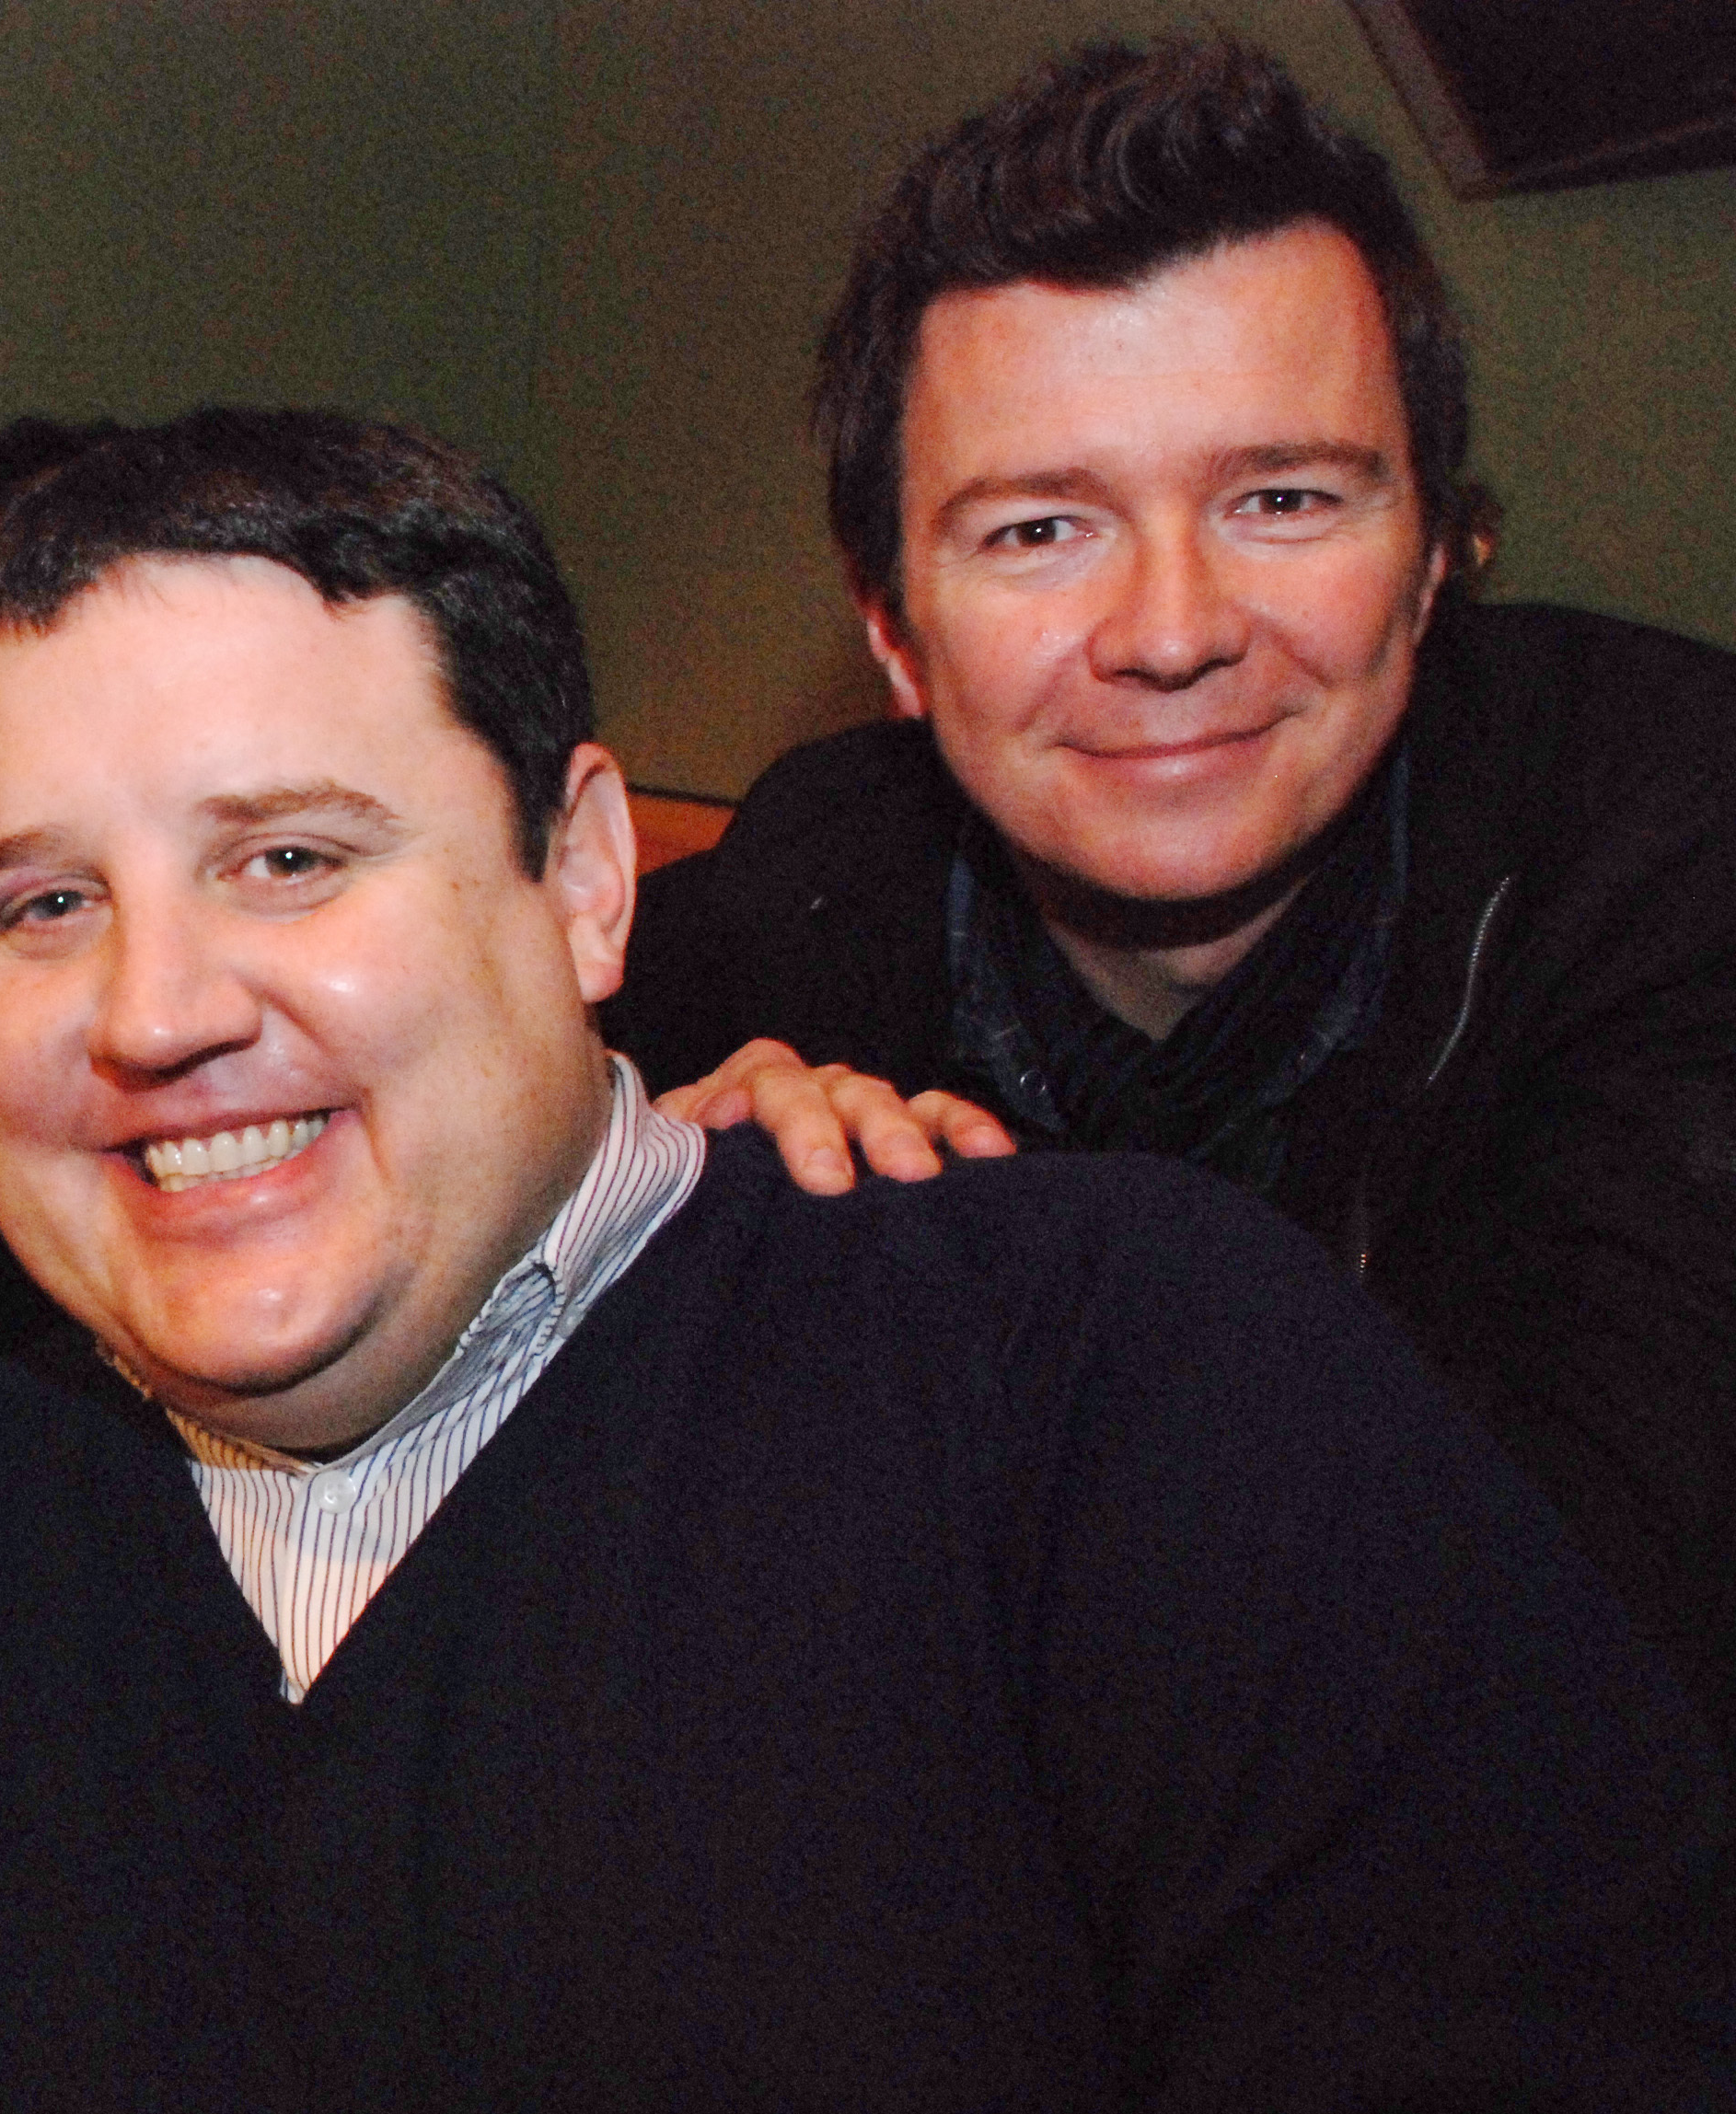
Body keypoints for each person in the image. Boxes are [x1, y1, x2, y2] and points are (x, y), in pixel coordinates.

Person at [0, 406, 1730, 2114]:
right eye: (45, 907)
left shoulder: (1120, 1390)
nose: (154, 1013)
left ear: (588, 878)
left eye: (291, 859)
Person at [606, 37, 1736, 1744]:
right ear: (894, 630)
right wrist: (649, 1219)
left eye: (1282, 499)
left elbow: (1565, 1663)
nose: (1171, 632)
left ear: (1436, 557)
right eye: (1039, 531)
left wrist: (869, 1341)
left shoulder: (1670, 859)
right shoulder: (793, 907)